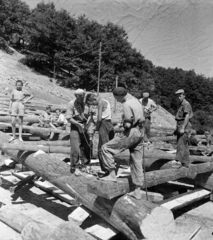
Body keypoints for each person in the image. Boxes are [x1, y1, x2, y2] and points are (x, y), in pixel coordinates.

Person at [99, 87, 145, 200]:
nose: (117, 101)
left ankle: (111, 175)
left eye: (116, 99)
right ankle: (137, 191)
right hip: (140, 131)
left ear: (119, 96)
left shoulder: (126, 104)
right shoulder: (136, 101)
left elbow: (128, 124)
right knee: (136, 161)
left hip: (132, 132)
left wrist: (119, 127)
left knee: (106, 148)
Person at [84, 93, 114, 176]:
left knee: (102, 147)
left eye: (93, 103)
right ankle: (108, 168)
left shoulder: (100, 102)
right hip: (109, 123)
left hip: (103, 124)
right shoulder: (105, 101)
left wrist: (96, 128)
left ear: (93, 99)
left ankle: (106, 169)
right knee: (107, 146)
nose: (94, 105)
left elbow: (99, 118)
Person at [66, 89, 91, 173]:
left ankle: (85, 165)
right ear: (75, 96)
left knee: (86, 146)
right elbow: (68, 117)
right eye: (79, 96)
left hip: (86, 125)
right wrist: (78, 124)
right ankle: (75, 166)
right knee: (75, 147)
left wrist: (88, 123)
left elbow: (91, 114)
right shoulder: (71, 104)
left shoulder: (87, 103)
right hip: (75, 126)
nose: (81, 98)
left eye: (82, 96)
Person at [174, 89, 193, 168]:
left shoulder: (186, 104)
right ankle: (185, 164)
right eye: (177, 96)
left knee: (181, 145)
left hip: (184, 126)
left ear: (184, 95)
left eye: (180, 96)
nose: (178, 97)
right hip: (180, 125)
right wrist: (176, 129)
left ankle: (178, 162)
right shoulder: (181, 104)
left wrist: (182, 128)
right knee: (184, 145)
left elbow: (187, 117)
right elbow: (179, 118)